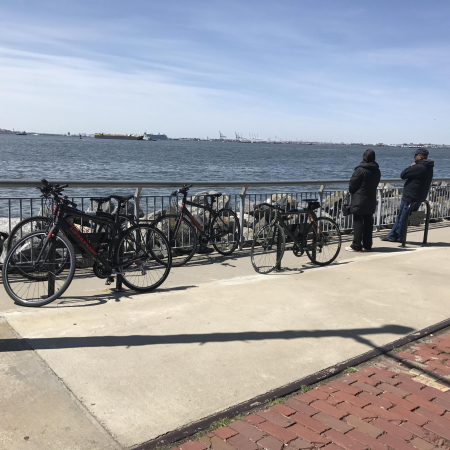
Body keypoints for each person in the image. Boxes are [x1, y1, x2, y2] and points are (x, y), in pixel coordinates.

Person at [382, 148, 434, 243]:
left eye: (415, 155)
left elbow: (403, 175)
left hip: (410, 196)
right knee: (403, 216)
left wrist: (411, 166)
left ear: (420, 156)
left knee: (403, 217)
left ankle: (399, 237)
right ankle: (392, 235)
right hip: (420, 196)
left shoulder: (418, 167)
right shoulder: (429, 167)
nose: (414, 157)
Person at [345, 149, 381, 252]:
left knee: (358, 222)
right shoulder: (377, 170)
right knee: (368, 222)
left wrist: (352, 192)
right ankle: (367, 245)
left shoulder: (360, 170)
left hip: (359, 199)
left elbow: (352, 185)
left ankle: (356, 245)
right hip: (371, 199)